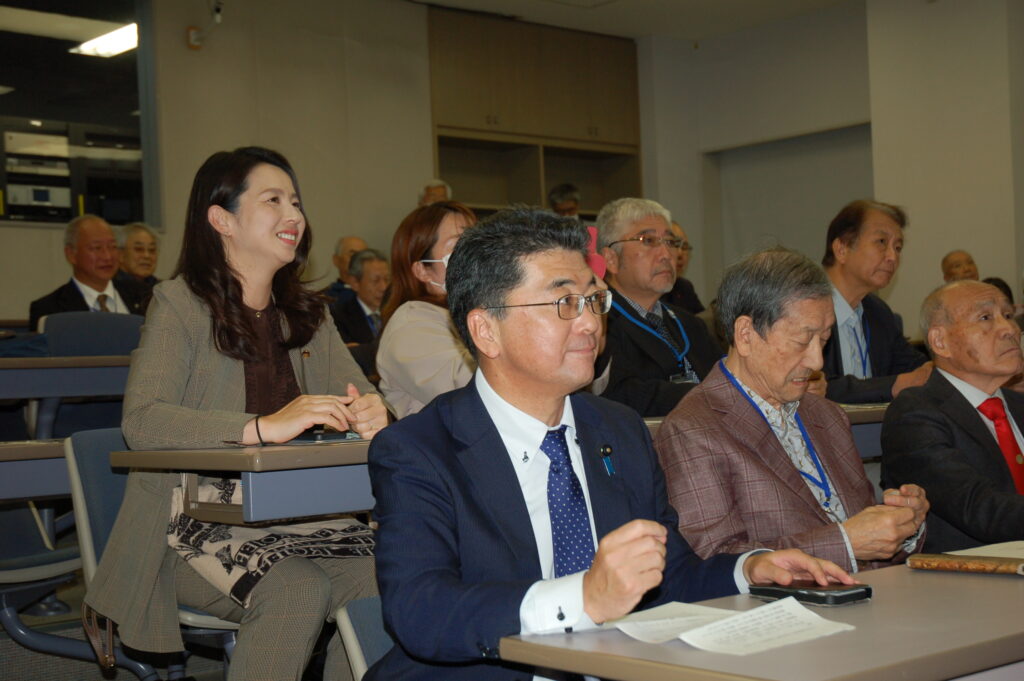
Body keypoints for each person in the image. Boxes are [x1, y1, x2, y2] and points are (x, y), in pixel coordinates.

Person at [367, 209, 853, 681]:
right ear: (486, 331)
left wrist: (749, 570)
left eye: (594, 300)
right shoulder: (420, 450)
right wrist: (584, 597)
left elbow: (668, 575)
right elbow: (420, 611)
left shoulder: (619, 431)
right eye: (564, 303)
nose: (589, 324)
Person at [83, 147, 388, 681]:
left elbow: (361, 395)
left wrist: (371, 412)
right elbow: (143, 421)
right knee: (296, 588)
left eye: (296, 202)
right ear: (221, 219)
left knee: (388, 574)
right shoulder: (179, 303)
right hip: (191, 525)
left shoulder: (311, 315)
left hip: (305, 515)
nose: (294, 215)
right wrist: (262, 428)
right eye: (273, 200)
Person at [656, 247, 927, 572]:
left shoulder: (827, 415)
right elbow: (715, 562)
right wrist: (845, 543)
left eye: (823, 340)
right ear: (746, 335)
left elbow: (866, 538)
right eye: (802, 341)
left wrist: (899, 527)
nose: (817, 361)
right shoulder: (694, 429)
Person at [882, 280, 1024, 552]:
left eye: (1008, 315)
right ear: (940, 341)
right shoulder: (915, 413)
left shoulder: (1019, 405)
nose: (1010, 329)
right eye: (985, 318)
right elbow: (978, 509)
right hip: (970, 571)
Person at [596, 198, 723, 417]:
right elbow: (619, 395)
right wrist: (707, 395)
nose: (667, 254)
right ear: (611, 258)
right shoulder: (599, 322)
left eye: (671, 242)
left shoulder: (691, 324)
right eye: (648, 240)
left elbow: (726, 380)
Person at [820, 199, 931, 403]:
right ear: (842, 249)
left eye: (898, 247)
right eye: (881, 242)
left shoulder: (878, 311)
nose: (893, 257)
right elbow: (814, 386)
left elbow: (912, 366)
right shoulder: (803, 307)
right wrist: (894, 385)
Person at [376, 201, 477, 418]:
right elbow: (469, 389)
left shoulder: (471, 311)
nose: (474, 255)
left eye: (476, 242)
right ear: (423, 270)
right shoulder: (410, 323)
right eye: (458, 246)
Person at [28, 214, 147, 330]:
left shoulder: (144, 295)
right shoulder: (49, 309)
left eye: (113, 247)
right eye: (97, 248)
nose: (107, 256)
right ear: (71, 254)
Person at [329, 248, 390, 377]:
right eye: (376, 281)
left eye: (386, 279)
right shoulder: (338, 316)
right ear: (355, 283)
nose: (383, 287)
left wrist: (362, 349)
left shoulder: (398, 311)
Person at [660, 220, 704, 314]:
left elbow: (701, 319)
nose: (680, 253)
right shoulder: (651, 288)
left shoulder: (684, 287)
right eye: (673, 244)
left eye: (684, 247)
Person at [323, 235, 368, 304]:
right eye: (353, 255)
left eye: (363, 256)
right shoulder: (327, 298)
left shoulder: (376, 293)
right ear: (336, 260)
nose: (358, 260)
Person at [116, 222, 160, 292]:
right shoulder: (110, 287)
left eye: (152, 250)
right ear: (120, 254)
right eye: (139, 249)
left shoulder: (161, 288)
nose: (147, 256)